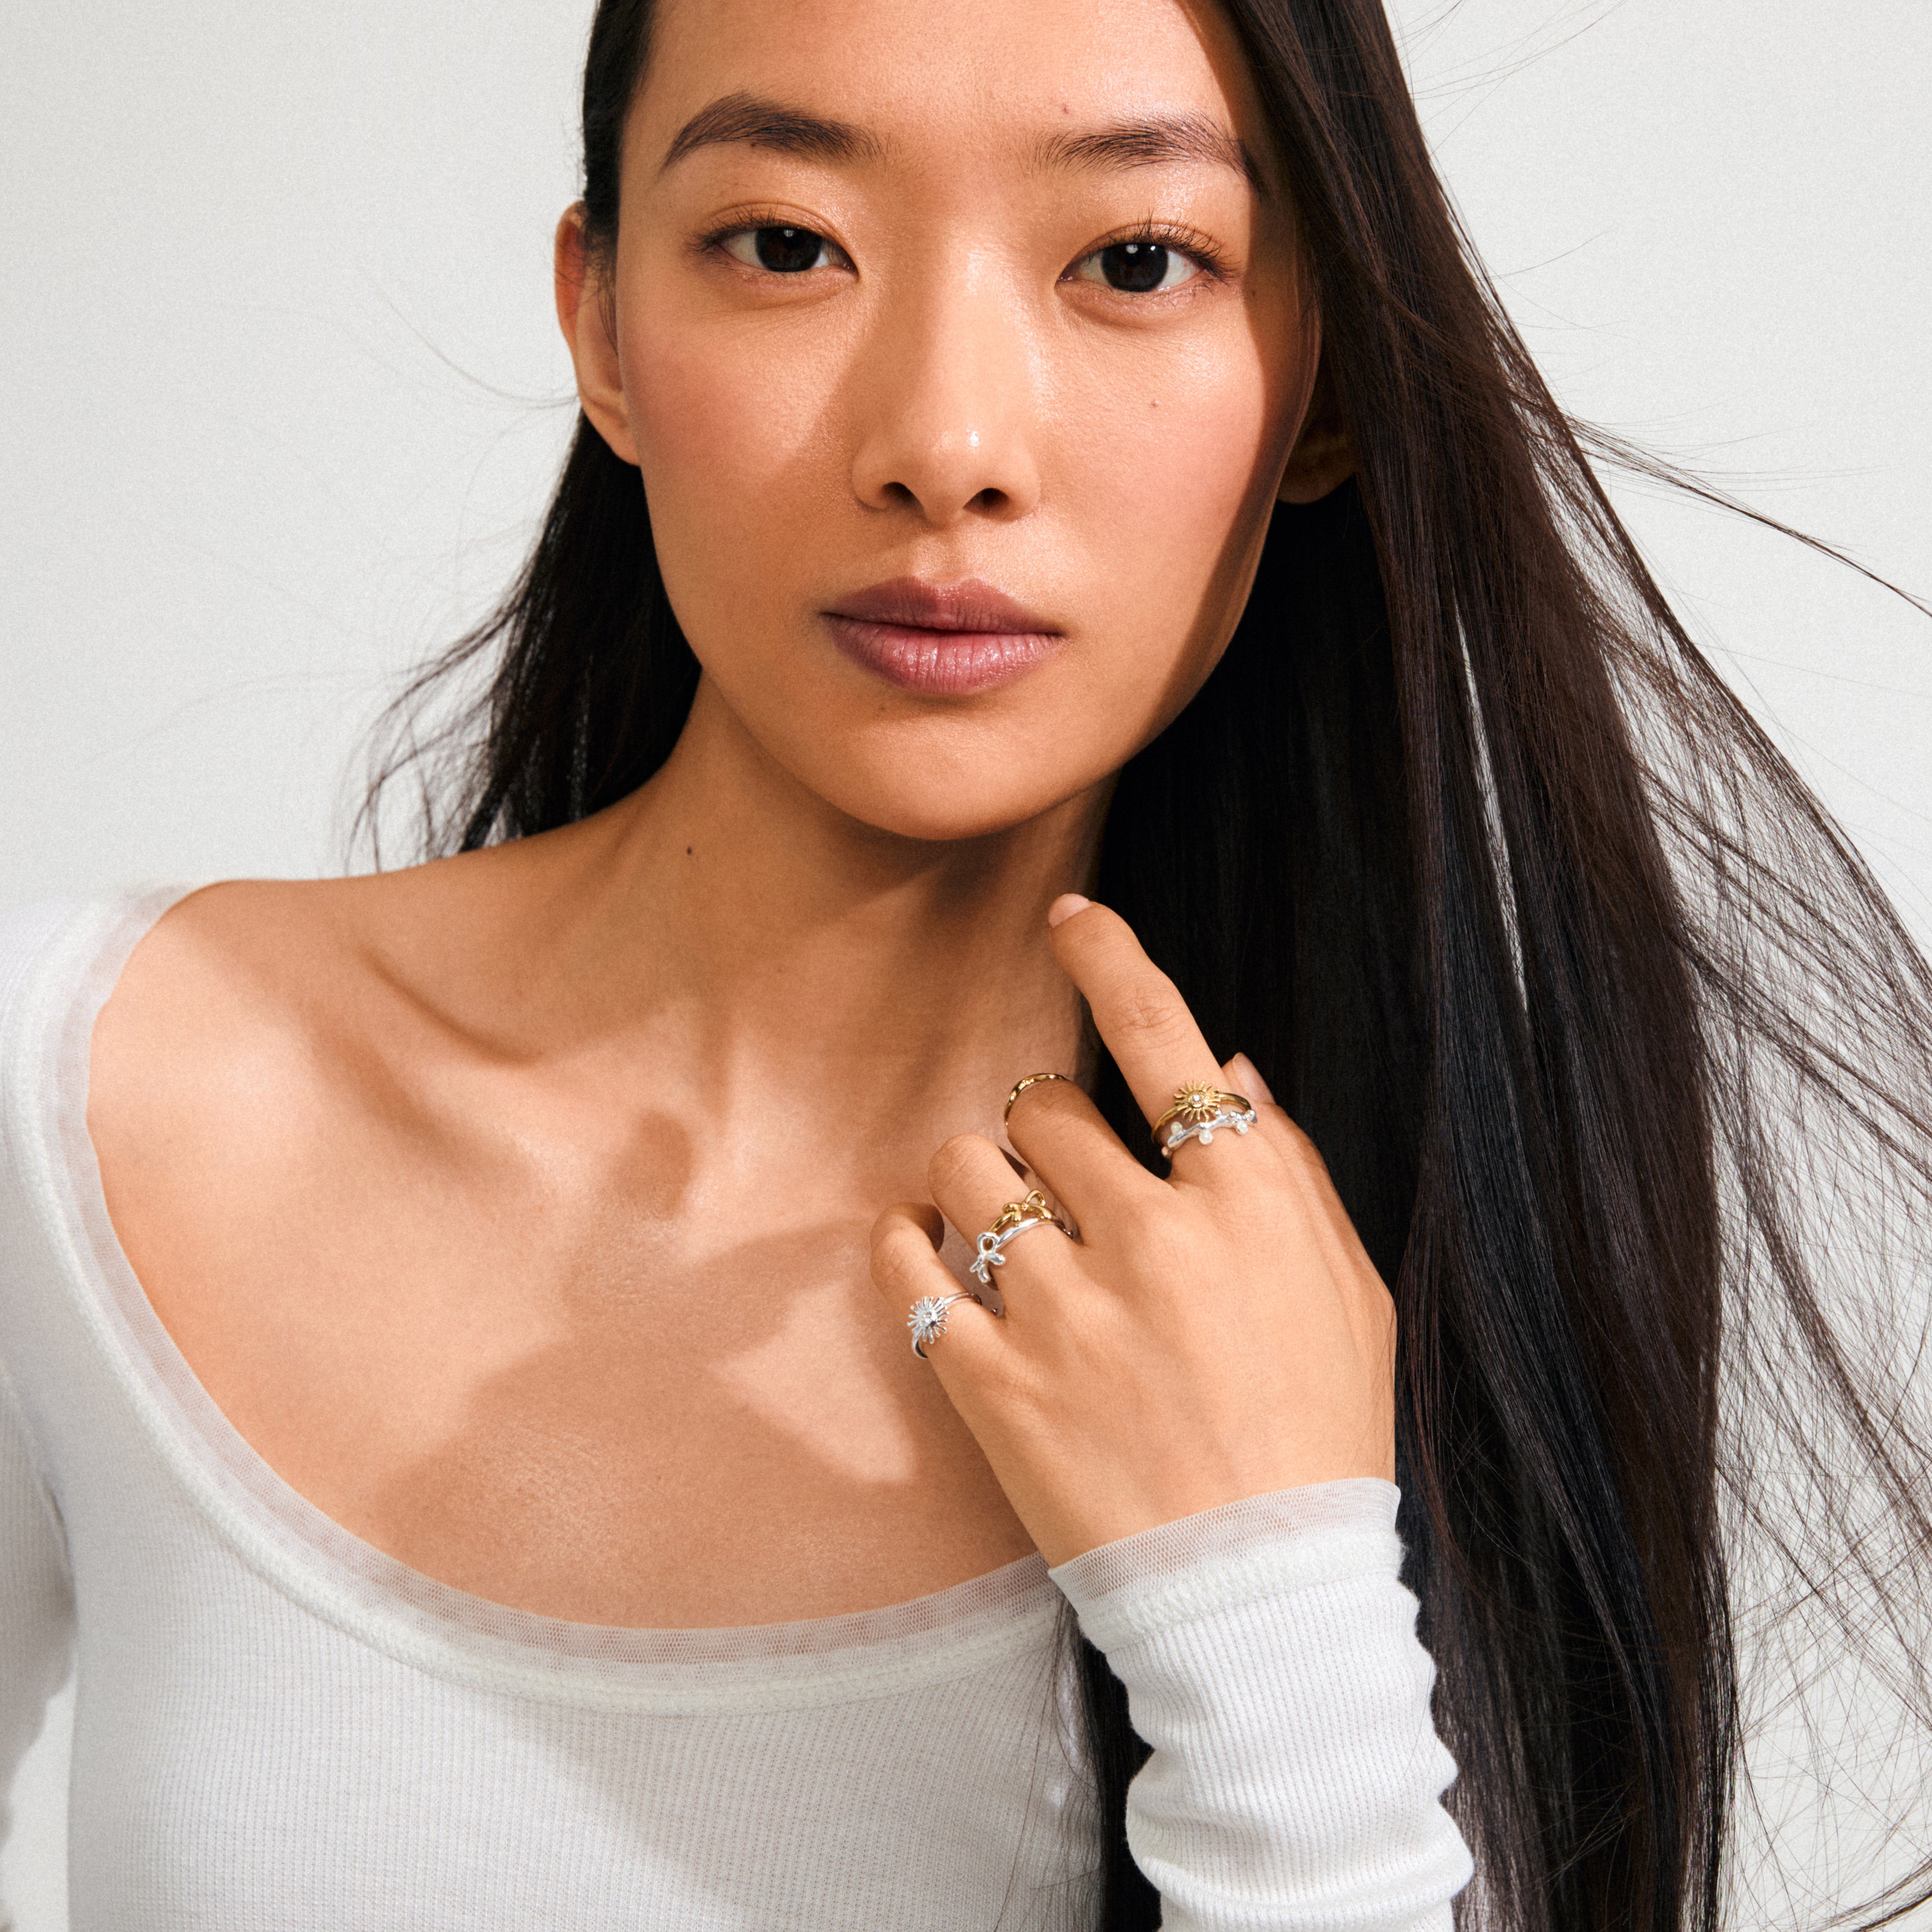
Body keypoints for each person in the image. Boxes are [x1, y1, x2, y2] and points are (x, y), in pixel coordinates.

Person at [3, 0, 1929, 1925]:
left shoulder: (1423, 1263)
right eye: (783, 244)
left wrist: (1267, 1613)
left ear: (1324, 376)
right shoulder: (83, 1090)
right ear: (601, 326)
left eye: (1134, 261)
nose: (945, 444)